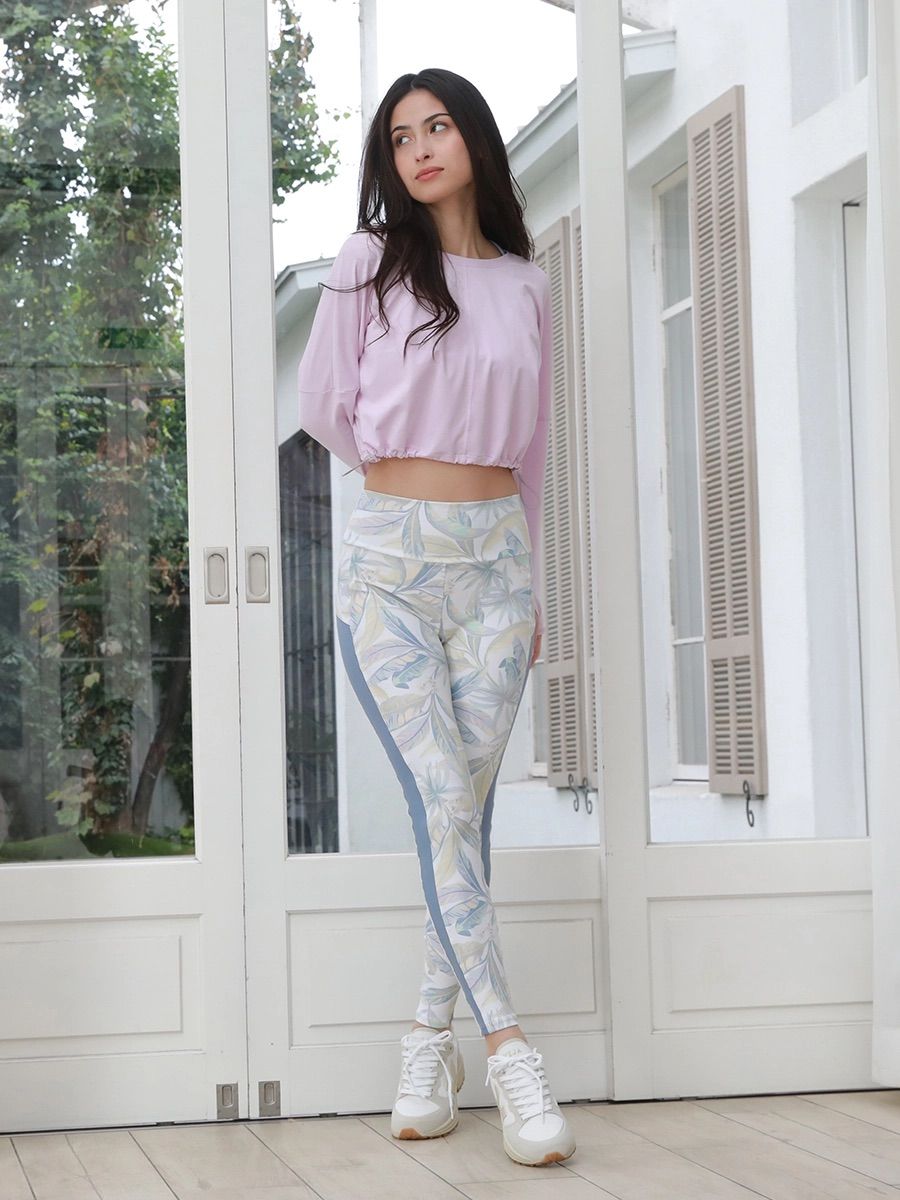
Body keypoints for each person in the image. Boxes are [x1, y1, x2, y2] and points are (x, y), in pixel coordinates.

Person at [296, 66, 575, 1168]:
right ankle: (508, 1049)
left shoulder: (526, 285)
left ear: (474, 142)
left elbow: (536, 448)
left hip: (498, 567)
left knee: (462, 813)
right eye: (400, 136)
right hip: (391, 570)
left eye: (438, 127)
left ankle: (426, 1041)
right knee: (447, 799)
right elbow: (324, 403)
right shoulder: (367, 263)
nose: (417, 149)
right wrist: (399, 471)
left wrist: (535, 582)